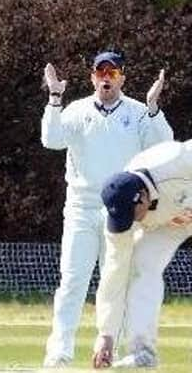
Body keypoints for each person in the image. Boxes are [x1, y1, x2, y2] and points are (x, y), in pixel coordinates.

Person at [40, 52, 173, 367]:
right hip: (81, 208)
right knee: (73, 281)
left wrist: (154, 108)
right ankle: (60, 351)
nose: (106, 77)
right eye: (101, 72)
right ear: (93, 78)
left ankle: (121, 350)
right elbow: (51, 139)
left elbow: (163, 145)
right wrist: (55, 97)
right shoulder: (77, 110)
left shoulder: (139, 113)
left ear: (122, 78)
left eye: (113, 73)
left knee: (119, 284)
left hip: (122, 211)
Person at [92, 140, 192, 369]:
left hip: (178, 209)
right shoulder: (121, 220)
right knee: (140, 266)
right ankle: (143, 353)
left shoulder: (175, 161)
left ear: (142, 197)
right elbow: (114, 274)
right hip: (168, 223)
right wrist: (105, 333)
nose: (130, 222)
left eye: (132, 214)